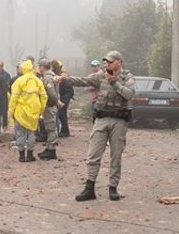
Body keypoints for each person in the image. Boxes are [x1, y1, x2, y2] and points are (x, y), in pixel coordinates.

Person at [57, 50, 135, 201]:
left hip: (119, 120)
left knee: (116, 156)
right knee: (93, 154)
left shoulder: (128, 77)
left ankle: (113, 188)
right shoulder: (100, 75)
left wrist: (114, 82)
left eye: (111, 61)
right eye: (106, 61)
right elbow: (83, 80)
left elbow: (129, 94)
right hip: (101, 118)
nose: (108, 64)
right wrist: (65, 79)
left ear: (119, 62)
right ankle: (89, 188)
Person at [8, 60, 47, 163]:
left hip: (20, 111)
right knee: (31, 133)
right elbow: (44, 96)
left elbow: (13, 97)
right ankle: (30, 155)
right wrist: (41, 109)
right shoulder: (37, 81)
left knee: (20, 133)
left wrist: (11, 111)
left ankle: (21, 156)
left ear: (23, 69)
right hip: (34, 111)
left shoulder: (18, 81)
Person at [35, 58, 61, 159]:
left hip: (49, 105)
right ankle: (49, 147)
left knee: (51, 128)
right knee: (50, 127)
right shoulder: (50, 76)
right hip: (50, 105)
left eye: (39, 66)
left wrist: (57, 101)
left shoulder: (48, 77)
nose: (38, 68)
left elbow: (51, 92)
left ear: (42, 67)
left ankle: (51, 150)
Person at [54, 60, 74, 137]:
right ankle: (64, 130)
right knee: (62, 113)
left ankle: (65, 131)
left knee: (62, 113)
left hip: (66, 95)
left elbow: (67, 87)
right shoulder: (59, 74)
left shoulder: (63, 75)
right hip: (64, 95)